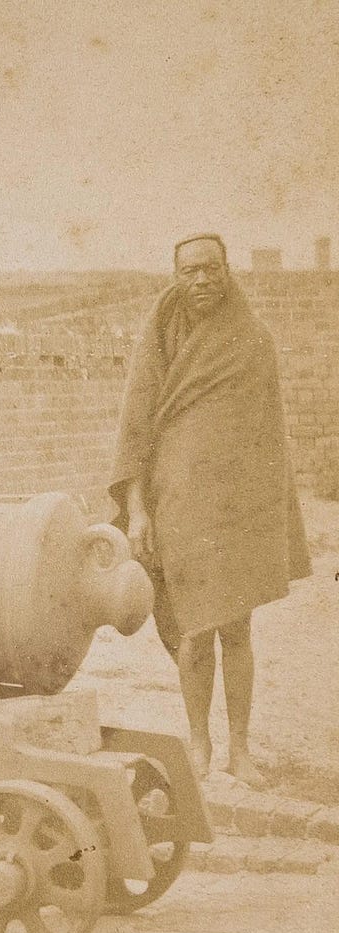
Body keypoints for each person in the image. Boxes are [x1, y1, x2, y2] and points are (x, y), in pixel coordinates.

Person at [111, 233, 311, 785]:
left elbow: (269, 436)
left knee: (237, 629)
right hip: (178, 506)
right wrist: (138, 509)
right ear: (176, 275)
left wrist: (269, 511)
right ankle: (199, 743)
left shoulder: (253, 340)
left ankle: (239, 750)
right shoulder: (159, 336)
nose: (201, 280)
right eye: (190, 270)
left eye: (211, 268)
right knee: (195, 630)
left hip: (237, 507)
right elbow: (135, 425)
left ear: (228, 271)